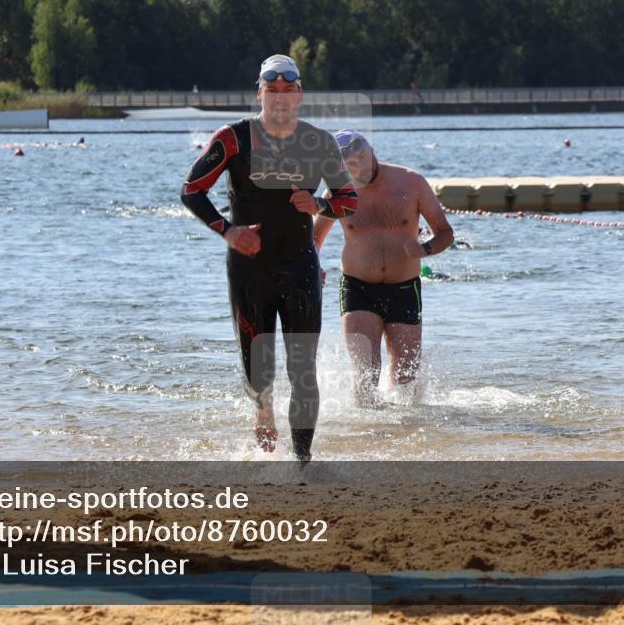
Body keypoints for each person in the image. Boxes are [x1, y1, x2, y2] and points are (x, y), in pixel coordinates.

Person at [180, 55, 358, 463]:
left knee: (303, 372)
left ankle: (302, 463)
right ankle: (263, 408)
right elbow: (192, 190)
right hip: (249, 271)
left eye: (287, 91)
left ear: (299, 96)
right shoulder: (233, 139)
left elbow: (349, 201)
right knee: (259, 375)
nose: (279, 98)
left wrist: (317, 204)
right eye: (271, 90)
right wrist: (228, 230)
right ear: (259, 93)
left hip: (300, 268)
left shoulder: (320, 142)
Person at [313, 130, 454, 406]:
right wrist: (312, 267)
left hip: (404, 288)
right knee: (366, 375)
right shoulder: (338, 192)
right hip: (357, 288)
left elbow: (445, 233)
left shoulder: (411, 182)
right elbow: (313, 239)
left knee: (406, 381)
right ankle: (367, 437)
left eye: (362, 159)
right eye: (350, 165)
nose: (359, 168)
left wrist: (424, 249)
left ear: (371, 151)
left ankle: (401, 439)